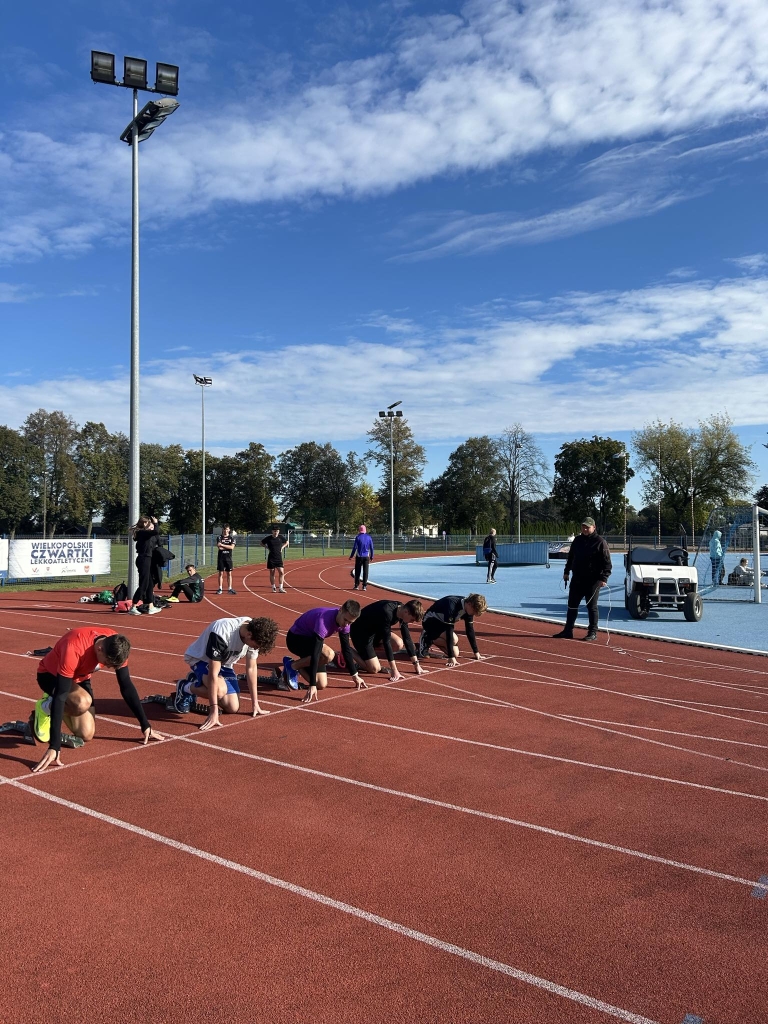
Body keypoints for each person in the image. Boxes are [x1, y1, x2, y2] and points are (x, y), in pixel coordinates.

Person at [30, 626, 164, 773]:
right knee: (82, 702)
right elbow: (61, 695)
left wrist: (145, 725)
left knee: (86, 734)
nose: (106, 667)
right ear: (99, 648)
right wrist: (54, 746)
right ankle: (45, 707)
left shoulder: (117, 644)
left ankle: (53, 704)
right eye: (107, 663)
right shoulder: (74, 648)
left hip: (80, 678)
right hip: (51, 676)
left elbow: (126, 686)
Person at [174, 616, 278, 729]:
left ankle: (198, 679)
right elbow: (214, 673)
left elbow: (251, 668)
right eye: (256, 646)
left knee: (232, 707)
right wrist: (213, 710)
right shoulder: (222, 631)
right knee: (219, 691)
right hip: (202, 660)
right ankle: (185, 687)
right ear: (249, 635)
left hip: (225, 664)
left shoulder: (255, 633)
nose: (255, 648)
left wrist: (255, 703)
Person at [283, 600, 366, 703]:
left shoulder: (346, 623)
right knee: (328, 655)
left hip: (311, 640)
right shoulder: (324, 620)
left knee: (321, 685)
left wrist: (355, 675)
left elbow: (346, 648)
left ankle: (293, 665)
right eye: (345, 620)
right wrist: (311, 685)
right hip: (295, 640)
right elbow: (316, 653)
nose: (346, 624)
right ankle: (292, 667)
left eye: (350, 622)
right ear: (340, 610)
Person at [553, 516, 612, 641]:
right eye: (583, 527)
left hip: (593, 580)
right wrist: (566, 572)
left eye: (587, 527)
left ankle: (592, 632)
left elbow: (607, 563)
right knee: (572, 605)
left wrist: (604, 578)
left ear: (594, 527)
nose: (585, 529)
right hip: (577, 578)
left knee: (592, 606)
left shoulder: (600, 542)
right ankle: (568, 630)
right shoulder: (577, 540)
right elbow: (571, 557)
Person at [350, 599, 428, 680]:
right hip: (361, 633)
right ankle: (348, 650)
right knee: (374, 669)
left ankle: (367, 658)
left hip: (375, 631)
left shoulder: (401, 609)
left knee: (398, 643)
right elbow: (386, 642)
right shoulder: (387, 612)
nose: (412, 622)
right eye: (412, 619)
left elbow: (407, 638)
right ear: (406, 612)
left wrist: (416, 664)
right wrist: (394, 670)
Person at [418, 594, 488, 666]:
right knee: (454, 639)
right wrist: (451, 657)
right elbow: (449, 631)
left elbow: (470, 630)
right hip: (430, 622)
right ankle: (426, 636)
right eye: (474, 612)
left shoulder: (468, 609)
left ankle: (430, 640)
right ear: (470, 604)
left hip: (443, 624)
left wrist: (476, 653)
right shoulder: (451, 606)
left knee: (455, 653)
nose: (474, 614)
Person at [130, 514, 162, 615]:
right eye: (149, 523)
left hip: (147, 559)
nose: (151, 525)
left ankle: (151, 606)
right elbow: (156, 531)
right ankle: (133, 606)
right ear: (144, 523)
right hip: (143, 559)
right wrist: (156, 523)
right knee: (143, 584)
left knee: (150, 584)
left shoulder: (144, 533)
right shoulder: (142, 532)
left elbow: (155, 535)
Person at [262, 525, 288, 593]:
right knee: (272, 573)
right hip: (271, 557)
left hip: (279, 557)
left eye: (277, 531)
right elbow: (261, 543)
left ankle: (281, 588)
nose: (275, 532)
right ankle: (273, 587)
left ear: (279, 531)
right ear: (272, 531)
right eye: (274, 531)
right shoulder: (268, 538)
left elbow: (287, 542)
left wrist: (282, 548)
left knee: (281, 572)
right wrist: (267, 547)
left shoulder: (280, 537)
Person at [349, 524, 374, 591]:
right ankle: (364, 586)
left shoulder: (358, 537)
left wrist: (351, 556)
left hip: (359, 556)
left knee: (357, 571)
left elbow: (354, 548)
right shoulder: (369, 537)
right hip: (366, 556)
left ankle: (356, 585)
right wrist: (372, 556)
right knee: (365, 571)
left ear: (359, 530)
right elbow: (371, 548)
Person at [216, 525, 237, 595]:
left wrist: (222, 545)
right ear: (222, 530)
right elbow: (219, 547)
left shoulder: (232, 538)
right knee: (221, 573)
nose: (225, 531)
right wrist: (227, 546)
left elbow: (232, 547)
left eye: (227, 529)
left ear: (229, 529)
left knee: (229, 573)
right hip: (221, 558)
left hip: (229, 558)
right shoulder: (219, 537)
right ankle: (220, 588)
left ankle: (230, 588)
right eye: (224, 529)